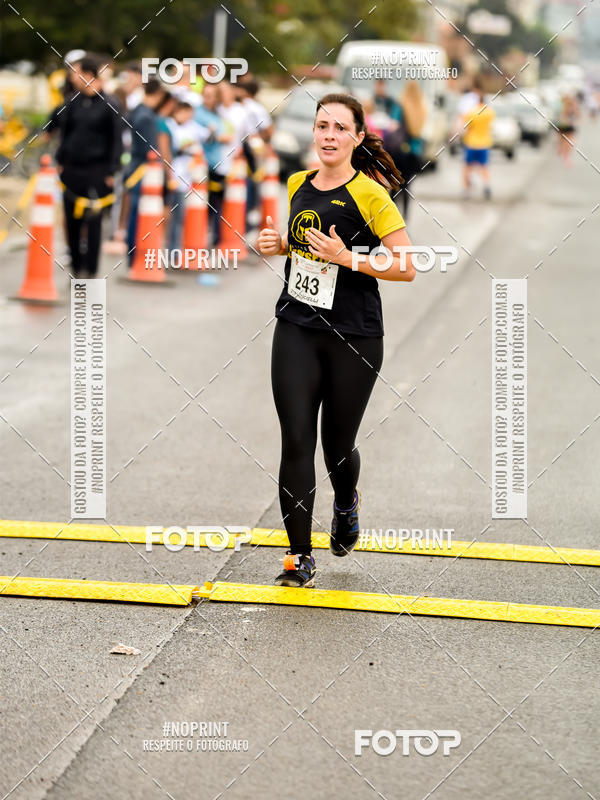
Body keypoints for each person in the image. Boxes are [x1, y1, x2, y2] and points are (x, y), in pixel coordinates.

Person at [257, 93, 416, 588]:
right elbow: (303, 241)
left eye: (339, 128)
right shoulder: (297, 183)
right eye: (322, 125)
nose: (328, 135)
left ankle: (346, 505)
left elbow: (407, 267)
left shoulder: (371, 195)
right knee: (296, 439)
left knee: (337, 446)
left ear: (357, 137)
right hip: (297, 326)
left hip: (355, 335)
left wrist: (348, 259)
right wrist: (278, 245)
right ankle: (298, 555)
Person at [55, 54, 123, 277]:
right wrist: (61, 161)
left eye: (77, 73)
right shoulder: (72, 102)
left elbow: (116, 140)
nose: (73, 78)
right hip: (72, 170)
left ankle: (91, 271)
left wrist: (112, 171)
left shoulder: (110, 104)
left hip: (97, 171)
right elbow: (64, 134)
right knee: (72, 222)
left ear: (87, 75)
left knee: (93, 224)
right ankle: (76, 268)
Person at [125, 78, 167, 265]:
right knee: (140, 215)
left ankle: (133, 254)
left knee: (136, 213)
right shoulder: (147, 117)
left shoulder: (138, 111)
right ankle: (136, 256)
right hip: (143, 172)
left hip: (135, 168)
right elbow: (151, 151)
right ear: (158, 94)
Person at [385, 81, 426, 219]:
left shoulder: (400, 106)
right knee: (407, 185)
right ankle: (405, 215)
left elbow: (393, 126)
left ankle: (392, 215)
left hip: (400, 151)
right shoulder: (421, 108)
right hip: (415, 152)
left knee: (395, 183)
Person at [461, 86, 495, 200]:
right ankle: (487, 186)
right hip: (484, 143)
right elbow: (491, 125)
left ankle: (466, 190)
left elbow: (467, 127)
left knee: (467, 167)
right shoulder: (490, 112)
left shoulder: (472, 112)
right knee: (484, 167)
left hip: (471, 143)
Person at [556, 93, 580, 167]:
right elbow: (561, 118)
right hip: (562, 127)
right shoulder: (562, 107)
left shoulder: (574, 107)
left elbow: (578, 116)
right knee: (562, 141)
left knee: (568, 143)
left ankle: (566, 158)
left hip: (570, 127)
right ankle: (561, 150)